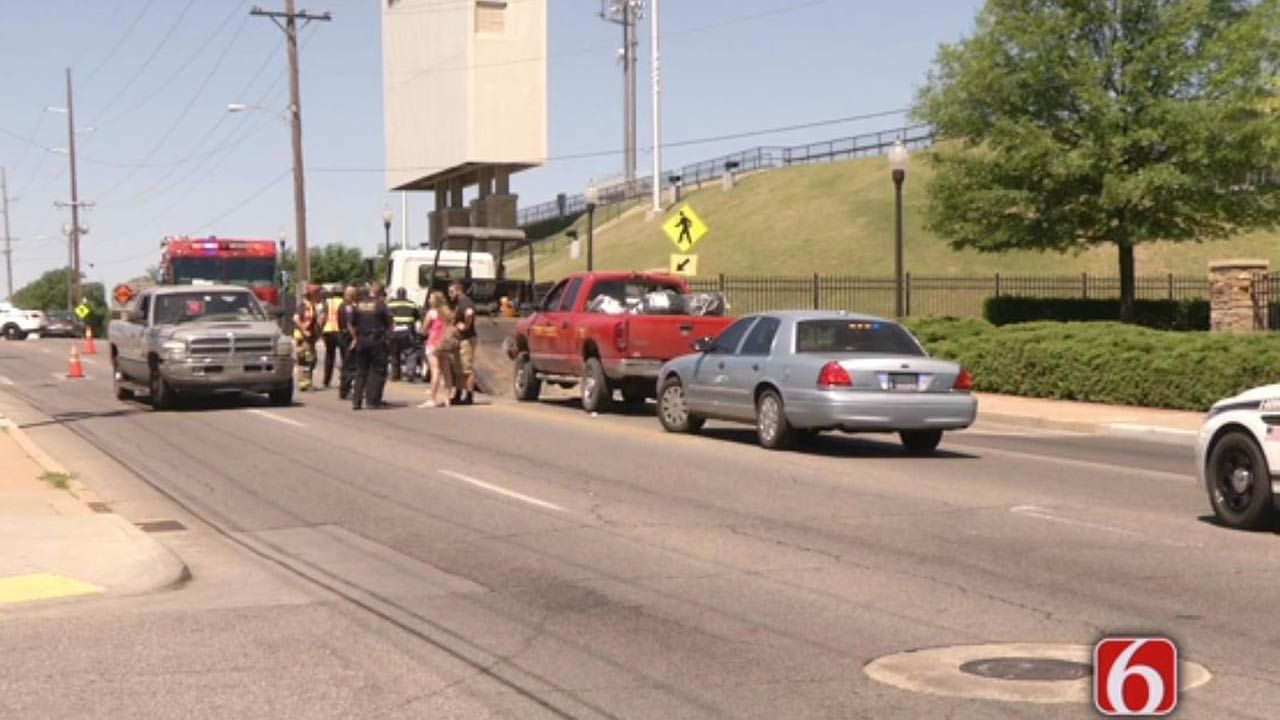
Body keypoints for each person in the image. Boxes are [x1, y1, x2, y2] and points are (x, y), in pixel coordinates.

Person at [348, 282, 394, 410]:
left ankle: (356, 401)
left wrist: (355, 338)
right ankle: (372, 401)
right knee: (377, 371)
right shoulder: (381, 305)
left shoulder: (358, 305)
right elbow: (390, 324)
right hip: (377, 340)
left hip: (362, 340)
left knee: (361, 371)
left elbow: (351, 324)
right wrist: (387, 337)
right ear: (380, 292)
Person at [419, 292, 456, 408]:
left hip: (433, 343)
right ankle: (447, 398)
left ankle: (432, 399)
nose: (429, 300)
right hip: (445, 343)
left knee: (435, 371)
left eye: (431, 298)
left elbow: (424, 330)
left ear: (435, 301)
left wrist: (424, 331)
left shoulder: (432, 313)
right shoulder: (448, 312)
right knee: (446, 371)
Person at [447, 280, 478, 405]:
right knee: (458, 369)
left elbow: (469, 313)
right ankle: (458, 394)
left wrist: (465, 326)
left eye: (451, 291)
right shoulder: (458, 303)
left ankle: (469, 396)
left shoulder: (465, 302)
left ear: (458, 290)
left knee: (467, 369)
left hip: (466, 339)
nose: (450, 294)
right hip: (459, 340)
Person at [386, 287, 422, 382]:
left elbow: (386, 318)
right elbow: (417, 318)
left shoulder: (390, 304)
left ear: (397, 294)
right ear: (405, 295)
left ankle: (395, 375)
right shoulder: (412, 304)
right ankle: (410, 373)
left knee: (394, 353)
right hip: (408, 332)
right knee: (410, 353)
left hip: (393, 332)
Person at [292, 284, 321, 391]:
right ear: (312, 294)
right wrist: (304, 330)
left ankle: (306, 382)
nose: (319, 295)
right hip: (304, 337)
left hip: (309, 337)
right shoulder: (304, 306)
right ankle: (305, 383)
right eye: (317, 293)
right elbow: (295, 318)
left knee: (310, 359)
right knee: (306, 359)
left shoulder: (311, 305)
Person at [318, 287, 346, 389]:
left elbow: (322, 317)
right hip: (340, 331)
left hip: (328, 330)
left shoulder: (327, 302)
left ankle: (326, 381)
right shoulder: (344, 302)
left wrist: (320, 329)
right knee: (345, 355)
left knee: (329, 356)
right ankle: (344, 379)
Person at [337, 285, 358, 400]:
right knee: (349, 365)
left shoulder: (342, 305)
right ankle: (345, 390)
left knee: (346, 363)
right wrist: (355, 338)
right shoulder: (349, 307)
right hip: (347, 337)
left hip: (343, 336)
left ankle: (344, 390)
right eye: (355, 293)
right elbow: (350, 324)